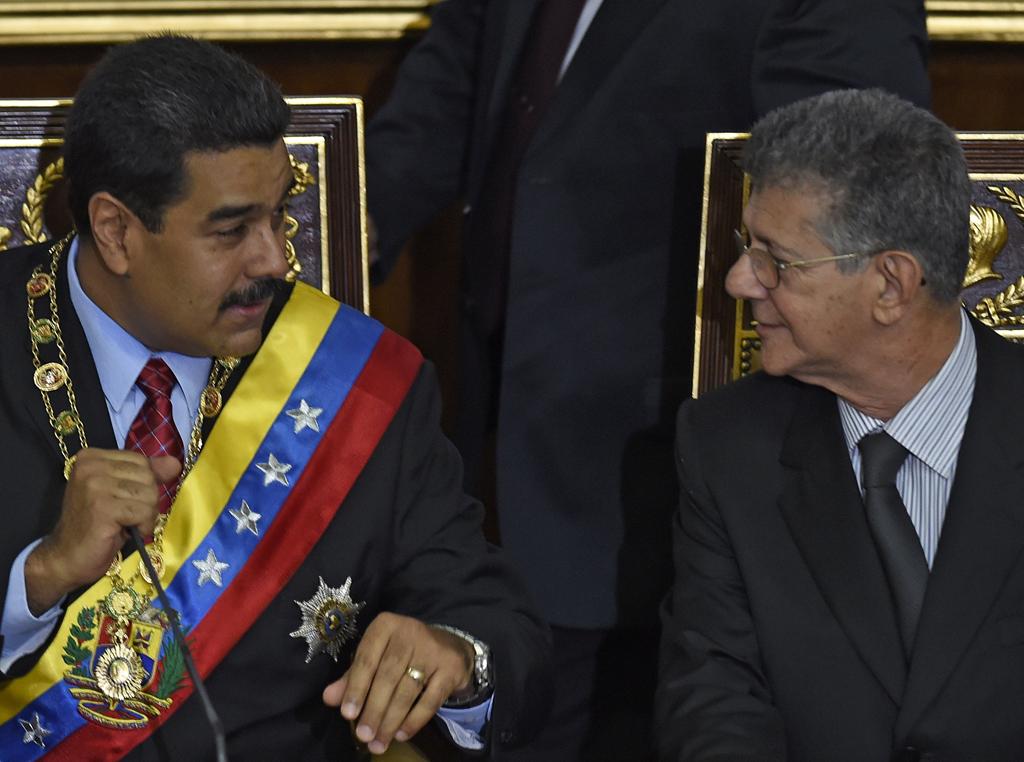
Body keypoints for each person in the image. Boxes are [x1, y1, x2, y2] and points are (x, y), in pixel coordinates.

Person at [366, 0, 931, 757]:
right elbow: (456, 84)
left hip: (667, 478)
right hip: (493, 439)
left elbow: (860, 197)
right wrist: (321, 237)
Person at [0, 35, 550, 760]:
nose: (275, 259)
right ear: (116, 231)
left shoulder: (358, 382)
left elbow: (500, 630)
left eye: (277, 215)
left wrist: (456, 656)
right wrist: (37, 580)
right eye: (231, 230)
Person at [656, 88, 1024, 759]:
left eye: (777, 261)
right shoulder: (726, 447)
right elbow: (714, 707)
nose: (740, 281)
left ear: (890, 284)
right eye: (748, 246)